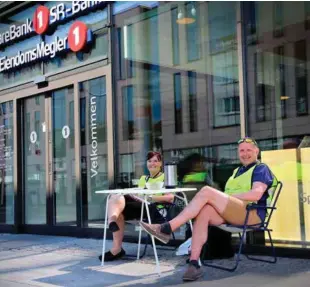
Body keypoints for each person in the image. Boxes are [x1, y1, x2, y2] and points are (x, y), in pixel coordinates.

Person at [139, 138, 277, 282]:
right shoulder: (237, 171)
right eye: (242, 150)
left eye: (249, 150)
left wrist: (226, 196)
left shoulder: (261, 168)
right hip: (236, 211)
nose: (245, 153)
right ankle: (194, 264)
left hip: (252, 214)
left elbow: (256, 194)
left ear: (257, 151)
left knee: (206, 190)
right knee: (204, 211)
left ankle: (168, 227)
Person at [99, 151, 174, 262]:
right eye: (149, 161)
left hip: (154, 209)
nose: (152, 163)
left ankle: (111, 223)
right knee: (117, 197)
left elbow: (170, 198)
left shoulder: (165, 177)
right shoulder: (144, 179)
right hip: (141, 207)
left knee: (118, 199)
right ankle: (116, 242)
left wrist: (150, 197)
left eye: (155, 161)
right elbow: (139, 195)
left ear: (160, 164)